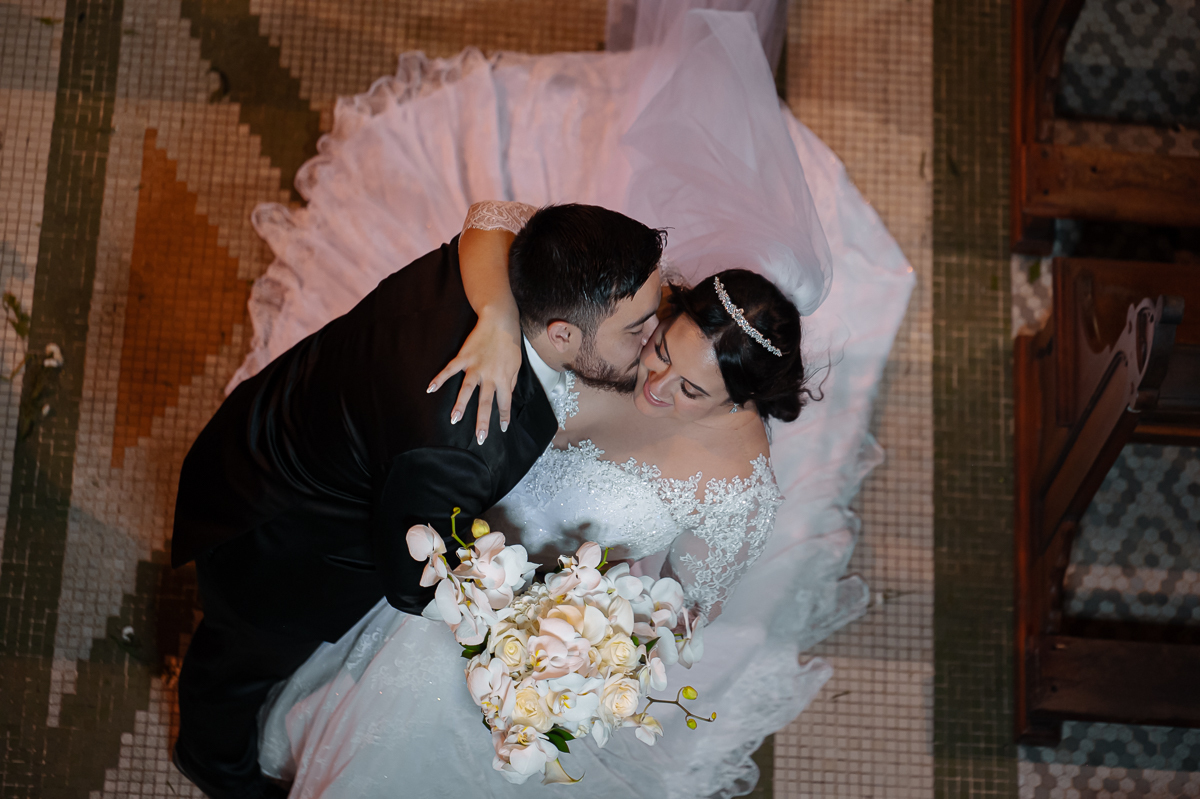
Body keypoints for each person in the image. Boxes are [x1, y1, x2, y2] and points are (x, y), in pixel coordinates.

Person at [237, 0, 915, 796]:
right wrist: (495, 316)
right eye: (661, 348)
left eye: (691, 387)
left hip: (528, 619)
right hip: (449, 533)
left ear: (741, 404)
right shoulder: (621, 324)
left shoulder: (736, 489)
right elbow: (495, 218)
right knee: (401, 659)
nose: (655, 382)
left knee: (436, 690)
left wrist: (574, 635)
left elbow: (680, 611)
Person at [169, 203, 665, 799]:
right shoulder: (468, 435)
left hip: (293, 417)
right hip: (282, 543)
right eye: (636, 329)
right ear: (561, 334)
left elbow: (493, 216)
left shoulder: (516, 269)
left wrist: (498, 318)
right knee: (235, 667)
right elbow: (413, 579)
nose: (652, 339)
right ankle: (211, 763)